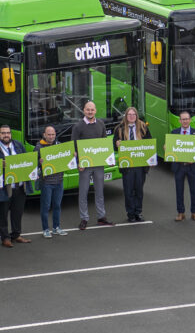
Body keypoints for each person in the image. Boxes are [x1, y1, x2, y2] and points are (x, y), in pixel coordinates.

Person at [72, 101, 114, 230]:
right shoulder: (78, 127)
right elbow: (74, 146)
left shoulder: (101, 124)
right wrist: (79, 162)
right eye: (87, 109)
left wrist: (109, 158)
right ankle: (84, 218)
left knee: (100, 191)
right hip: (85, 165)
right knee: (83, 192)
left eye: (92, 110)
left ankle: (101, 217)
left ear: (95, 111)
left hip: (98, 164)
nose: (90, 112)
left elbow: (104, 144)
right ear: (84, 111)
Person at [0, 125, 32, 248]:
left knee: (17, 212)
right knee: (2, 214)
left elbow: (26, 161)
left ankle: (16, 235)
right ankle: (5, 238)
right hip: (3, 188)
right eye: (3, 133)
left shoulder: (18, 145)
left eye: (8, 133)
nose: (6, 135)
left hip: (19, 186)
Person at [114, 107, 153, 223]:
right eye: (129, 114)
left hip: (140, 164)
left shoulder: (143, 127)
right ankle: (130, 213)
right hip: (127, 165)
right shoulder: (119, 129)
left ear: (136, 116)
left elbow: (149, 143)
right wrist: (117, 144)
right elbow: (114, 146)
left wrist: (151, 159)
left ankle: (138, 212)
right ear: (126, 116)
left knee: (139, 190)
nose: (131, 116)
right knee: (128, 191)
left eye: (133, 114)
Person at [36, 126, 67, 238]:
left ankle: (56, 227)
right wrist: (39, 162)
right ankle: (45, 229)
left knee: (57, 205)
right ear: (44, 134)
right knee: (45, 206)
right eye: (49, 134)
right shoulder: (38, 147)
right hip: (47, 182)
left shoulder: (59, 145)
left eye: (53, 134)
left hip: (59, 181)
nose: (51, 136)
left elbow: (66, 159)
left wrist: (72, 155)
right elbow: (34, 164)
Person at [170, 112, 195, 222]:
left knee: (194, 191)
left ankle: (194, 213)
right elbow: (171, 149)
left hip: (192, 167)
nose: (185, 121)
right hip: (179, 166)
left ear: (190, 120)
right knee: (179, 190)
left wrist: (194, 159)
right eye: (183, 119)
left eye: (187, 119)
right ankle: (180, 213)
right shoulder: (173, 133)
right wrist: (167, 148)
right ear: (179, 121)